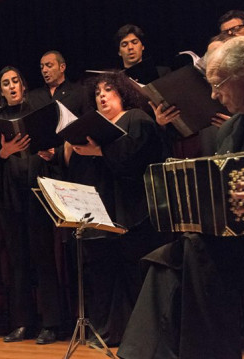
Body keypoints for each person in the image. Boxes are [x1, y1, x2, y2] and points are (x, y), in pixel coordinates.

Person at [117, 36, 244, 359]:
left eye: (218, 85)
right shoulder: (229, 130)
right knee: (177, 257)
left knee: (190, 256)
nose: (214, 96)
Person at [63, 73, 168, 347]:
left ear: (122, 94)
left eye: (108, 90)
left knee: (136, 275)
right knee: (106, 275)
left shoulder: (137, 118)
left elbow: (136, 160)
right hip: (105, 211)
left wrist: (100, 153)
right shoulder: (95, 129)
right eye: (98, 92)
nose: (102, 95)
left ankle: (144, 336)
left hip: (135, 211)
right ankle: (110, 332)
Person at [0, 66, 66, 344]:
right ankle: (22, 323)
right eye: (6, 83)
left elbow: (57, 149)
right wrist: (4, 152)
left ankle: (51, 323)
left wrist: (51, 153)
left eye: (15, 81)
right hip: (9, 195)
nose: (11, 86)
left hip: (37, 192)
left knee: (44, 259)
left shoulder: (39, 111)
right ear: (1, 90)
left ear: (23, 85)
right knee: (17, 261)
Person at [29, 50, 91, 116]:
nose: (44, 70)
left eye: (49, 65)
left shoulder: (79, 92)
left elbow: (88, 121)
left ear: (62, 67)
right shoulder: (33, 97)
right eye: (42, 67)